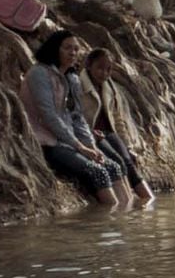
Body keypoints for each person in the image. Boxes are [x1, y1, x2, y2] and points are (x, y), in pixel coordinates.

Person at [19, 31, 128, 207]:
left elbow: (78, 118)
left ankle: (127, 220)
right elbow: (49, 116)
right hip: (47, 141)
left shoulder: (72, 78)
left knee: (113, 166)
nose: (73, 53)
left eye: (76, 49)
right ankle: (114, 221)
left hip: (70, 141)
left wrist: (91, 146)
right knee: (97, 172)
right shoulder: (39, 73)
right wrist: (80, 147)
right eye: (67, 48)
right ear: (55, 49)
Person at [79, 48, 155, 202]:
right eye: (100, 68)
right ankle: (127, 202)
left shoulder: (109, 87)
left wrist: (128, 146)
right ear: (88, 65)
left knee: (129, 161)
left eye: (108, 69)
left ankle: (148, 200)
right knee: (118, 162)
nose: (104, 73)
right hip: (92, 134)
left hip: (109, 132)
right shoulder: (78, 85)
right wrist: (88, 132)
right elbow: (74, 115)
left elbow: (117, 118)